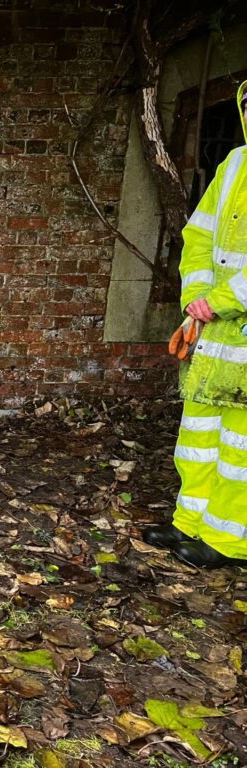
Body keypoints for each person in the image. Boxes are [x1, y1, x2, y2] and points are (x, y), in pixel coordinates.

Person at [142, 80, 247, 568]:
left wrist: (220, 301)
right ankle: (191, 522)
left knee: (240, 447)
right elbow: (199, 235)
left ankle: (228, 541)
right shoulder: (234, 166)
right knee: (201, 435)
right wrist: (196, 300)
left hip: (240, 330)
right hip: (214, 334)